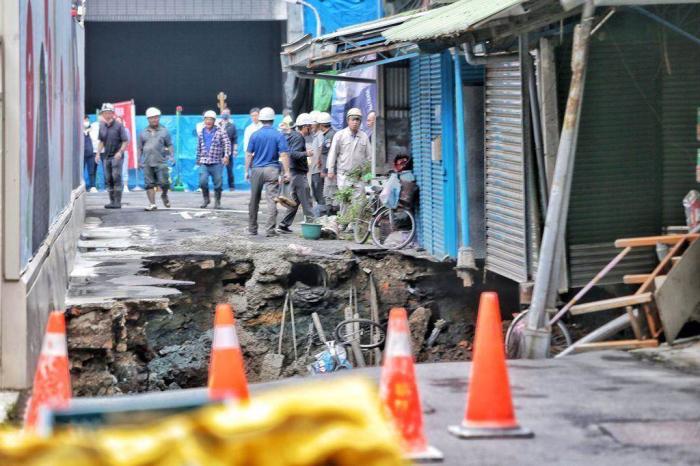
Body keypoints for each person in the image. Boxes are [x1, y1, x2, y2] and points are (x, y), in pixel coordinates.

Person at [245, 106, 291, 237]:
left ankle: (252, 229)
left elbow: (249, 154)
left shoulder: (255, 134)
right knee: (271, 200)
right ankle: (270, 230)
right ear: (273, 119)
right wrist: (287, 172)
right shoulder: (278, 135)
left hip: (256, 170)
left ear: (261, 119)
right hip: (272, 170)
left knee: (254, 200)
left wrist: (246, 171)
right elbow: (284, 154)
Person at [278, 114, 315, 233]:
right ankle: (312, 226)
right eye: (310, 126)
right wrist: (306, 154)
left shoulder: (293, 135)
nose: (311, 128)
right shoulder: (299, 137)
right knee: (307, 200)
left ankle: (283, 224)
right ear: (305, 127)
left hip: (294, 172)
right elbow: (293, 153)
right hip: (297, 173)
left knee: (295, 201)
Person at [327, 107, 371, 191]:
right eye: (353, 119)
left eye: (357, 120)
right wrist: (330, 170)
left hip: (359, 177)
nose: (355, 122)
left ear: (360, 122)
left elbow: (369, 158)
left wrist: (368, 176)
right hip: (344, 176)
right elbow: (333, 153)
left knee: (359, 203)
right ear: (348, 121)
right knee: (345, 202)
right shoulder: (339, 135)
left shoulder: (364, 136)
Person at [138, 107, 174, 211]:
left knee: (164, 183)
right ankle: (152, 204)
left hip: (161, 161)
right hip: (147, 162)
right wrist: (138, 160)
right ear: (148, 119)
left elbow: (170, 144)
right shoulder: (143, 132)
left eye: (156, 118)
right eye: (152, 118)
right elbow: (140, 148)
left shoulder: (164, 131)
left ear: (159, 118)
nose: (154, 120)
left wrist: (172, 155)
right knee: (149, 184)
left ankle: (164, 194)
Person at [196, 110, 231, 209]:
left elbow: (227, 144)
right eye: (207, 119)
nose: (208, 121)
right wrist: (198, 159)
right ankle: (206, 199)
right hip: (204, 162)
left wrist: (226, 155)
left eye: (211, 119)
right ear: (204, 120)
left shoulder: (220, 131)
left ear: (214, 121)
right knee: (202, 181)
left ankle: (217, 201)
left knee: (218, 183)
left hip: (216, 162)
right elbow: (199, 146)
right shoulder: (201, 132)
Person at [96, 103, 129, 209]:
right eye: (105, 113)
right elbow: (101, 141)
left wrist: (120, 152)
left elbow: (125, 141)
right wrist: (97, 154)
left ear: (113, 114)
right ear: (102, 114)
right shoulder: (102, 126)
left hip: (116, 156)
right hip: (106, 156)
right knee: (108, 178)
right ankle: (112, 201)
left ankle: (117, 202)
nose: (107, 115)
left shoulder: (119, 126)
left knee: (116, 177)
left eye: (109, 113)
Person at [312, 112, 335, 215]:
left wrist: (325, 170)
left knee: (328, 195)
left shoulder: (329, 136)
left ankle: (329, 215)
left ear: (321, 125)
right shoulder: (327, 135)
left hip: (329, 171)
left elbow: (330, 155)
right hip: (328, 170)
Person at [218, 108, 239, 191]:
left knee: (229, 170)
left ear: (229, 115)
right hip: (218, 151)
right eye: (224, 113)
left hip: (228, 151)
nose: (225, 114)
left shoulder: (232, 126)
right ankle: (218, 186)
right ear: (221, 114)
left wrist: (235, 150)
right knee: (218, 170)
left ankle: (231, 186)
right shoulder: (217, 125)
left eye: (227, 113)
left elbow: (235, 139)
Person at [83, 117, 97, 192]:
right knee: (81, 171)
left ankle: (93, 186)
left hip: (91, 153)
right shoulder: (79, 130)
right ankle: (81, 186)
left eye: (87, 120)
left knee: (91, 171)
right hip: (81, 155)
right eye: (84, 120)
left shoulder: (92, 130)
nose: (86, 122)